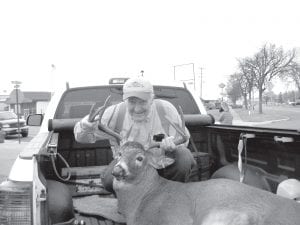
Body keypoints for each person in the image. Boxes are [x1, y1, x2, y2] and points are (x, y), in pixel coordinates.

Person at [74, 77, 196, 193]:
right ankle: (131, 200)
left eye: (142, 102)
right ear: (124, 100)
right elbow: (82, 138)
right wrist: (85, 126)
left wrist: (172, 145)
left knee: (184, 156)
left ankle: (171, 196)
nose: (137, 109)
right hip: (129, 168)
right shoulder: (114, 113)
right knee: (109, 180)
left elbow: (184, 138)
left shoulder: (165, 109)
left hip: (161, 166)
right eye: (132, 102)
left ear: (152, 99)